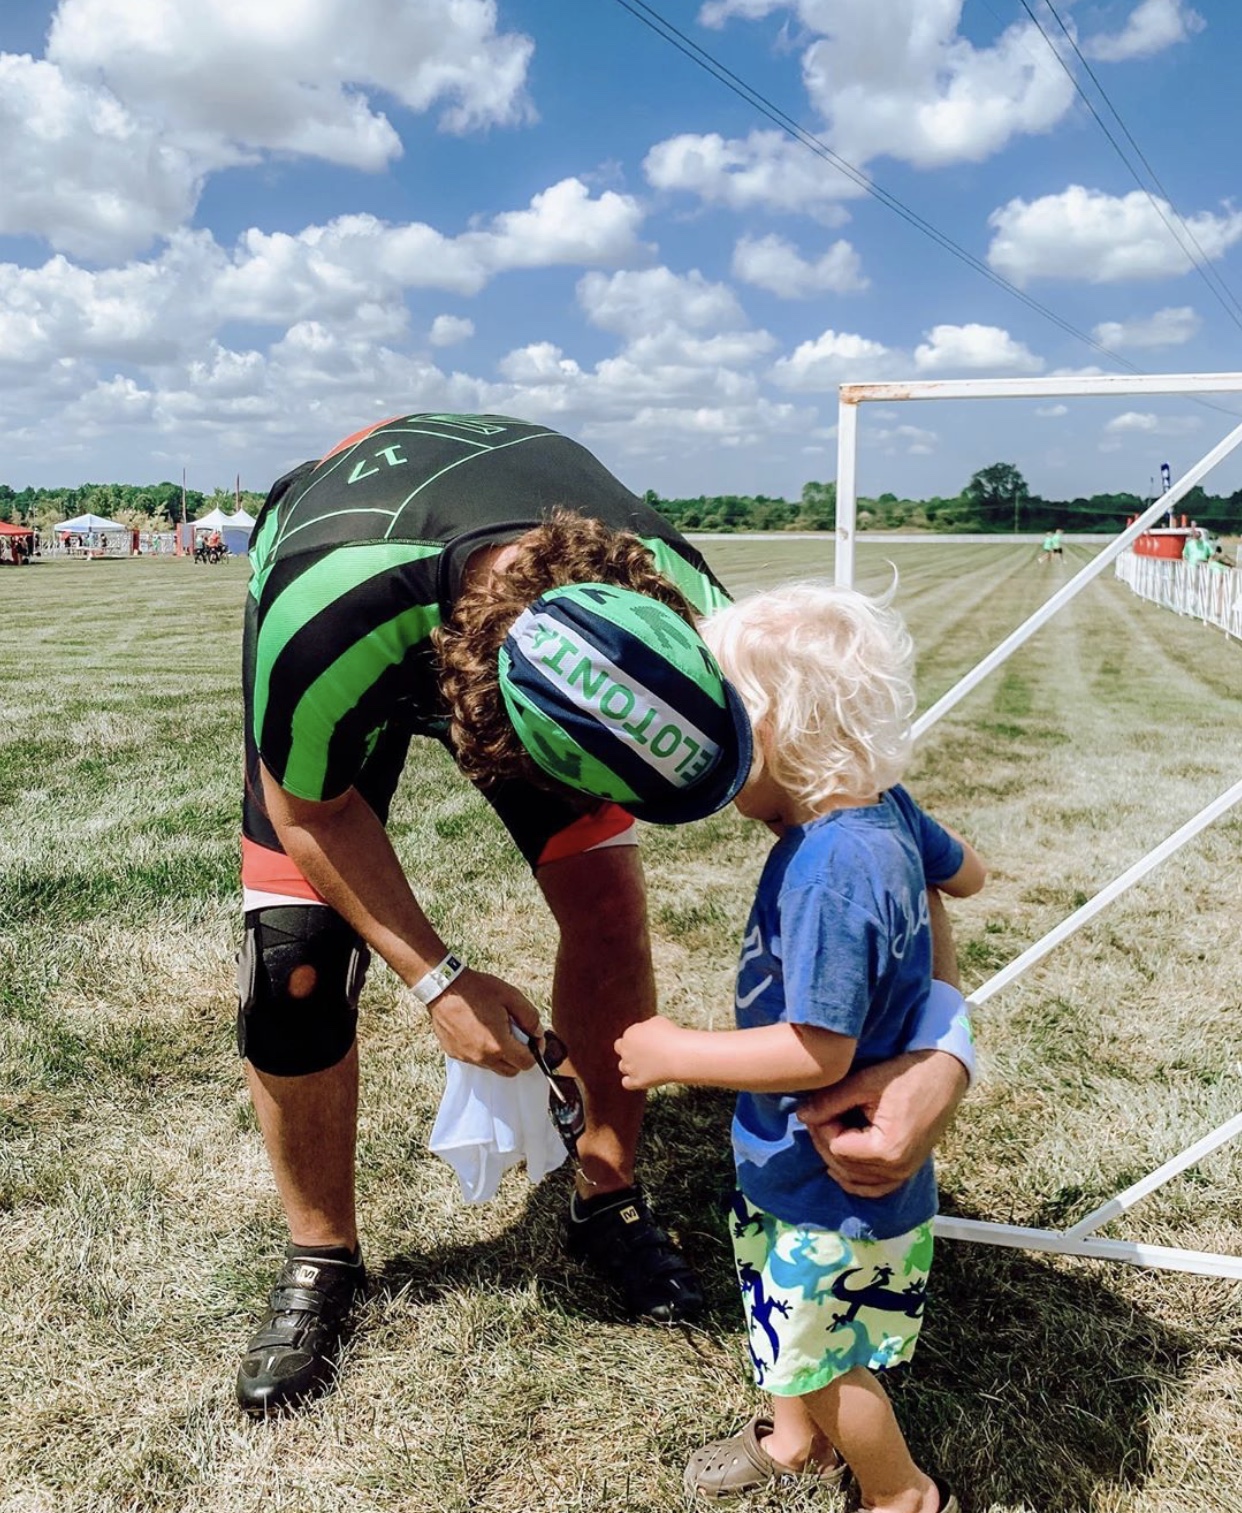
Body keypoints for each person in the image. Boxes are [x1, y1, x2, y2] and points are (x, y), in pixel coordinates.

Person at [234, 413, 971, 1417]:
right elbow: (307, 810)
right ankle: (321, 1255)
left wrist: (939, 1055)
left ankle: (608, 1195)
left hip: (526, 623)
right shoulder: (323, 609)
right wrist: (437, 978)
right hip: (356, 611)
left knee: (610, 912)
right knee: (295, 966)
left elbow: (875, 835)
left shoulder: (691, 605)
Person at [616, 581, 985, 1512]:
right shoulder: (885, 809)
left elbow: (818, 1051)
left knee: (826, 1360)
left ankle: (901, 1491)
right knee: (784, 1313)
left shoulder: (831, 869)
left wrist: (673, 1051)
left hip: (833, 1172)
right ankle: (793, 1444)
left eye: (716, 723)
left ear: (770, 726)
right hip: (794, 1161)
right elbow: (970, 871)